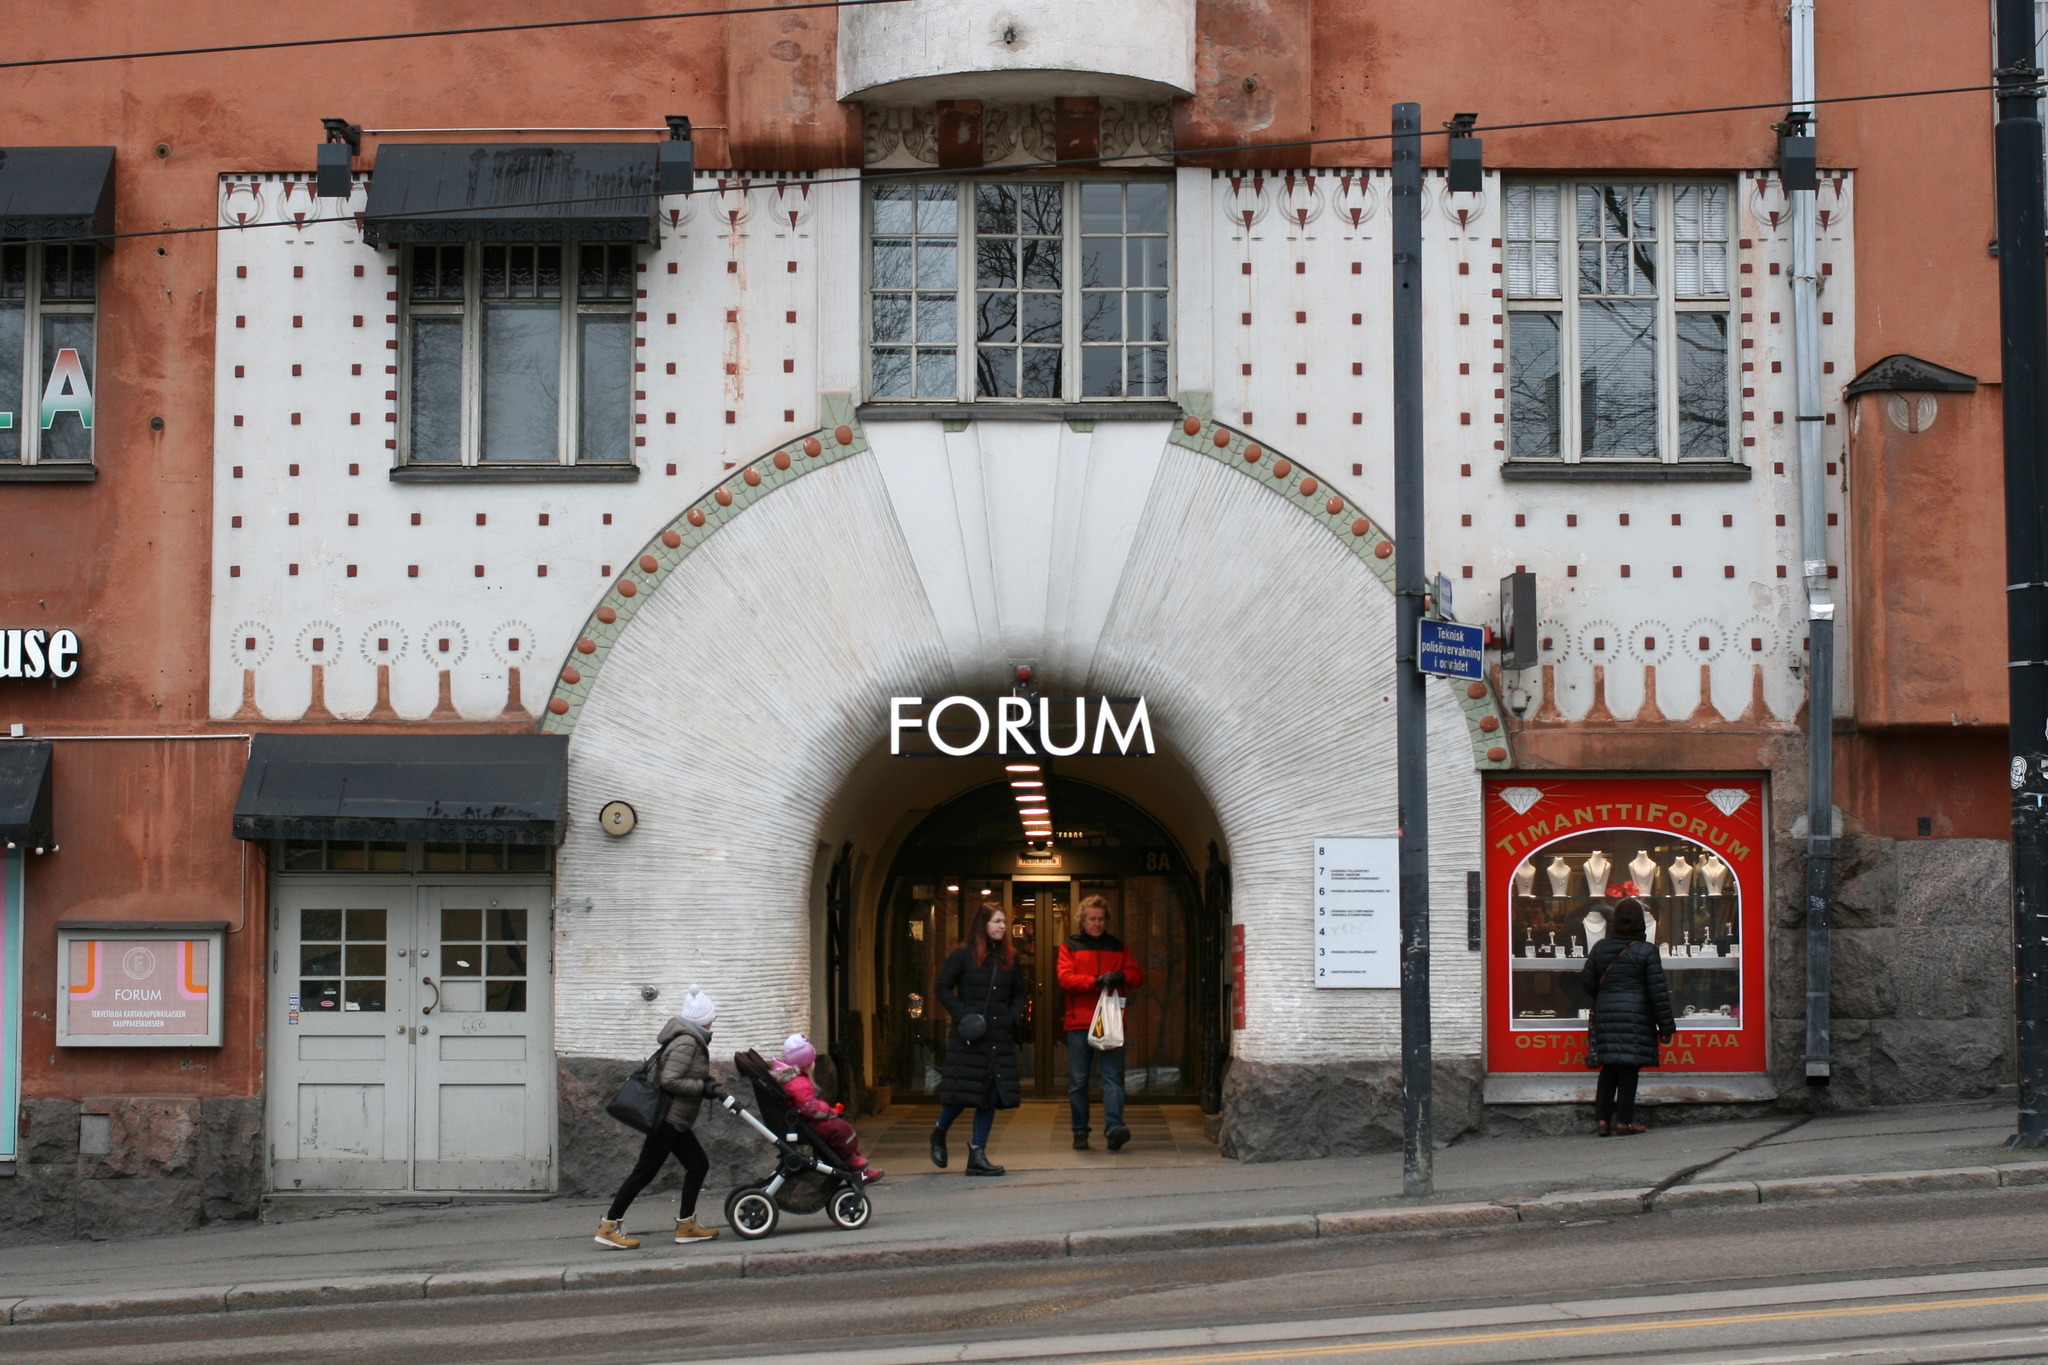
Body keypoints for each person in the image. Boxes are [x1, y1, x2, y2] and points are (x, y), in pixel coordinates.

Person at [596, 986, 726, 1249]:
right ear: (703, 1019)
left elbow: (680, 1073)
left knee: (698, 1165)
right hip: (668, 1119)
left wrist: (705, 1082)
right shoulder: (688, 1041)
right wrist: (702, 1087)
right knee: (644, 1172)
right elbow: (670, 1080)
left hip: (676, 1120)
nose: (714, 1021)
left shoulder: (688, 1038)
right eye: (712, 1016)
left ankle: (686, 1225)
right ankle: (609, 1226)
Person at [930, 900, 1028, 1177]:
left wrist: (1012, 1016)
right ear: (982, 924)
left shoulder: (1011, 957)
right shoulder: (962, 955)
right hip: (970, 1036)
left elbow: (1021, 992)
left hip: (999, 1036)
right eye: (997, 921)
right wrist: (964, 1015)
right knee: (962, 1093)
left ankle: (977, 1153)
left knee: (990, 1094)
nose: (1002, 926)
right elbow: (942, 987)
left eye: (1004, 922)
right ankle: (939, 1132)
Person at [1056, 894, 1145, 1151]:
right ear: (1082, 920)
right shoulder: (1069, 946)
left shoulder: (1118, 947)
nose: (1096, 923)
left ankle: (1114, 1128)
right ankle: (1080, 1131)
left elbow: (1137, 976)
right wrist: (1096, 980)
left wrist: (1119, 976)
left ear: (1106, 921)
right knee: (1079, 1082)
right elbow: (1065, 979)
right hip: (1080, 1022)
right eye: (1092, 919)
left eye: (1100, 919)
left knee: (1112, 1078)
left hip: (1110, 1021)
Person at [1580, 898, 1675, 1137]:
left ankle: (1602, 1121)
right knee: (1629, 1068)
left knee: (1609, 1066)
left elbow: (1587, 982)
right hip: (1636, 1015)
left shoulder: (1600, 947)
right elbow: (1657, 991)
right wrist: (1665, 1024)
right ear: (1640, 922)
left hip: (1606, 1013)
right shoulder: (1646, 951)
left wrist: (1605, 998)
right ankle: (1624, 1122)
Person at [770, 1032, 882, 1182]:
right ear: (808, 1064)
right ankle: (852, 1162)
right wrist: (830, 1111)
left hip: (805, 1120)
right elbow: (811, 1108)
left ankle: (854, 1163)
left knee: (841, 1128)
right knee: (842, 1129)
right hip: (809, 1123)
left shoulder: (796, 1081)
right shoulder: (799, 1083)